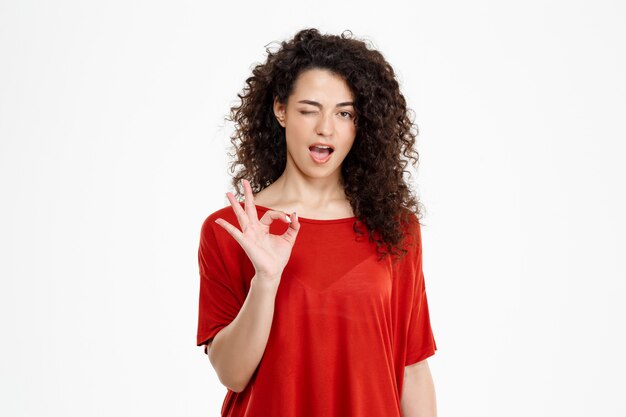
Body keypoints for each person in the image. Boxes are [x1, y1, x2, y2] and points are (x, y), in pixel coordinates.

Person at [196, 27, 438, 417]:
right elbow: (232, 374)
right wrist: (266, 280)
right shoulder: (234, 228)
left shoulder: (395, 229)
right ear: (281, 110)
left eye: (344, 113)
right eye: (309, 109)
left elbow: (412, 369)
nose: (326, 127)